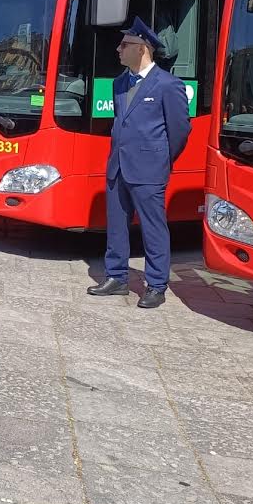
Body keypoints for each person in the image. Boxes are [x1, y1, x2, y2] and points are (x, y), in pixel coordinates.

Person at [88, 16, 191, 309]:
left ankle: (156, 285)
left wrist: (161, 159)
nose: (118, 49)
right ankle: (116, 277)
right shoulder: (120, 83)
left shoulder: (168, 85)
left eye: (125, 44)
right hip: (118, 166)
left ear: (142, 48)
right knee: (117, 225)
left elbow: (180, 130)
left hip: (149, 169)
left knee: (153, 227)